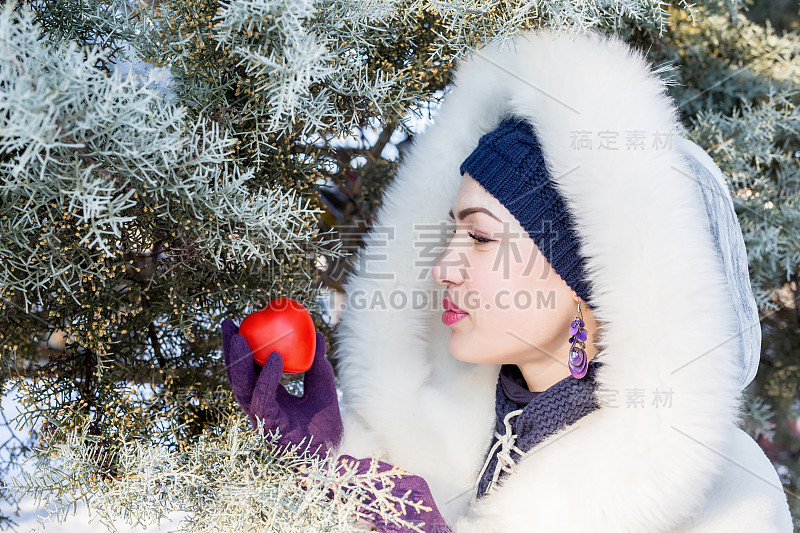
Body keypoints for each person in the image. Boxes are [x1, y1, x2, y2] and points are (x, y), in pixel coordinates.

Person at [223, 28, 794, 531]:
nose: (441, 268)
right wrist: (328, 455)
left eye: (479, 237)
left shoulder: (723, 494)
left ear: (591, 270)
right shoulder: (433, 442)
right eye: (450, 235)